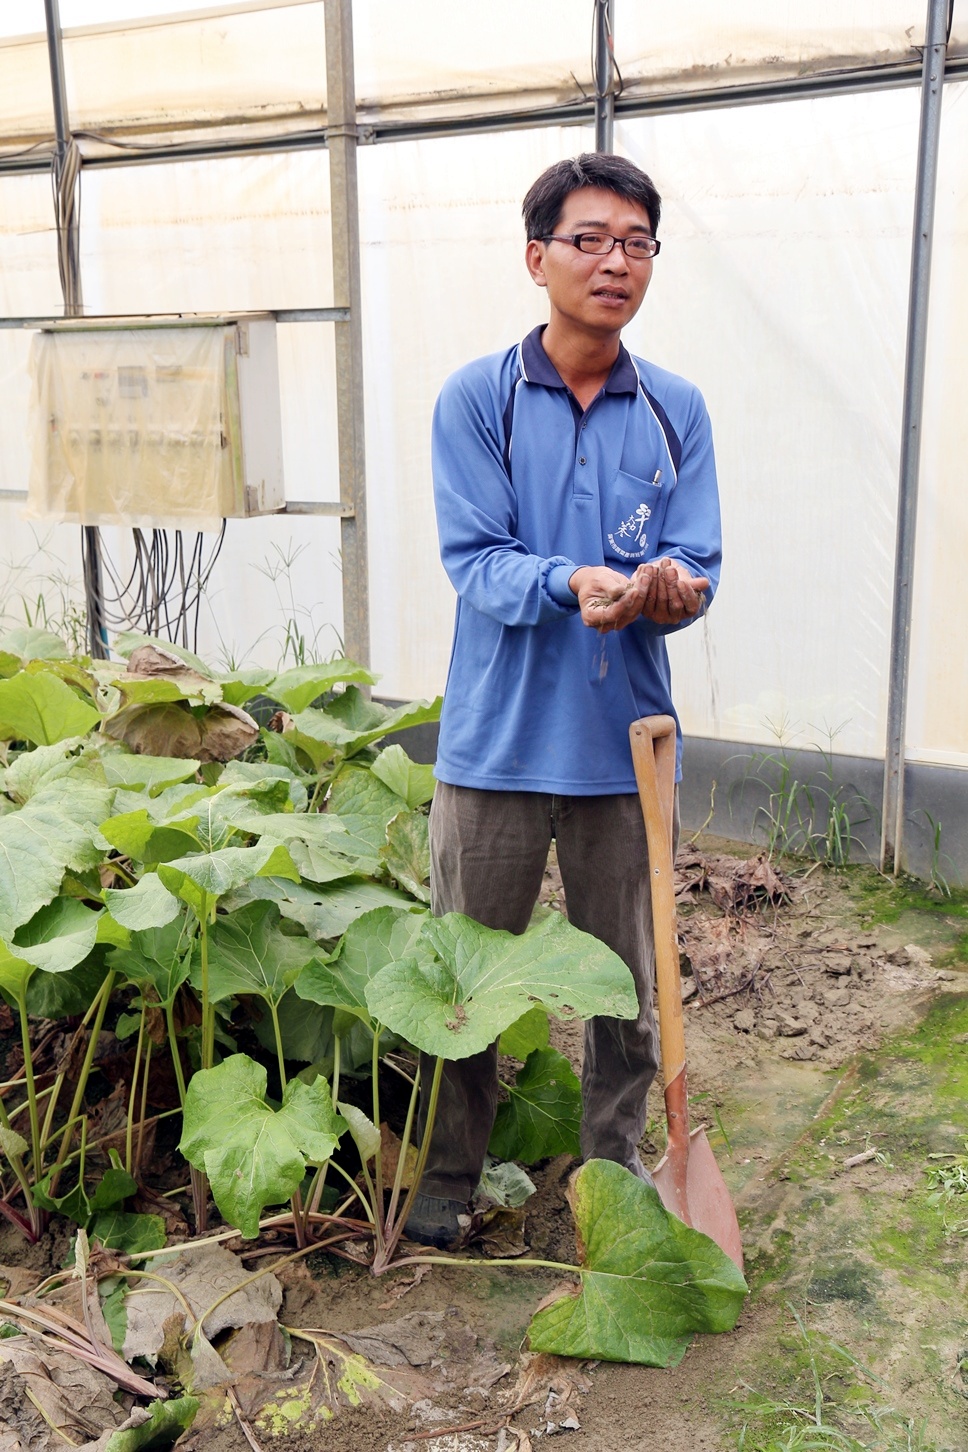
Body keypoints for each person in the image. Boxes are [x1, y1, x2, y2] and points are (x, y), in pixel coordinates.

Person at [405, 152, 722, 1248]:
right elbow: (476, 562)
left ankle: (613, 1171)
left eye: (635, 243)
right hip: (491, 744)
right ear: (535, 255)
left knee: (626, 980)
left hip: (622, 746)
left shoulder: (673, 409)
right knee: (464, 976)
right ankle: (448, 1175)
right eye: (588, 240)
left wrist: (668, 593)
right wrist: (568, 579)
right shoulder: (477, 398)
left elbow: (695, 565)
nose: (614, 263)